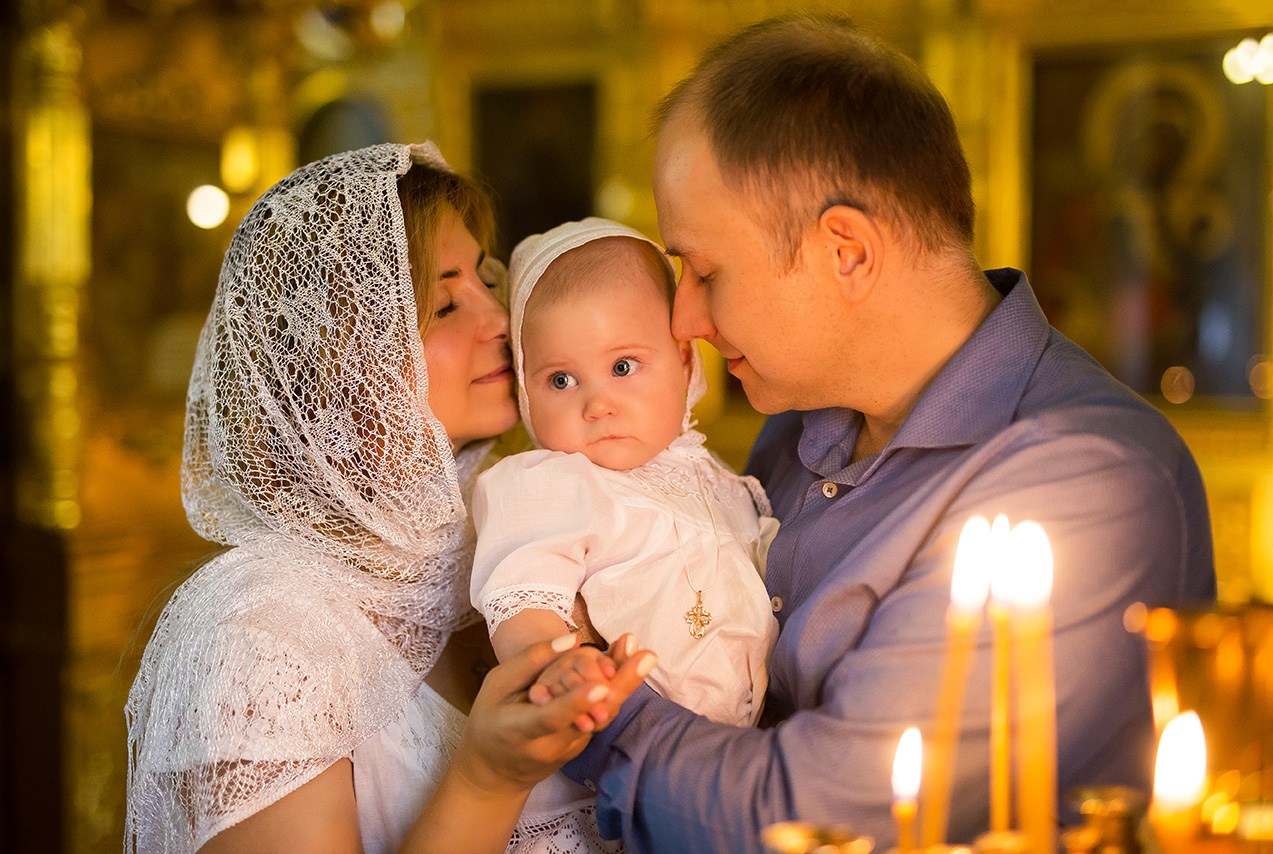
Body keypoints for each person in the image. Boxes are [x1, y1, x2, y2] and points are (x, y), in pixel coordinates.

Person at [556, 14, 1217, 851]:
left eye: (706, 270)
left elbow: (809, 819)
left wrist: (586, 697)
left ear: (847, 252)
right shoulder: (796, 434)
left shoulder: (1084, 479)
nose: (682, 317)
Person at [124, 143, 654, 854]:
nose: (498, 319)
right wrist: (485, 781)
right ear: (343, 357)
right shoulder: (261, 632)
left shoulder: (529, 516)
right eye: (443, 302)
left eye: (482, 280)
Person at [469, 218, 780, 852]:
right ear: (527, 393)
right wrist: (557, 667)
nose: (597, 403)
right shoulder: (552, 485)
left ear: (685, 363)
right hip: (613, 786)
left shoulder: (715, 476)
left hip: (740, 765)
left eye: (623, 366)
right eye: (561, 379)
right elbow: (522, 592)